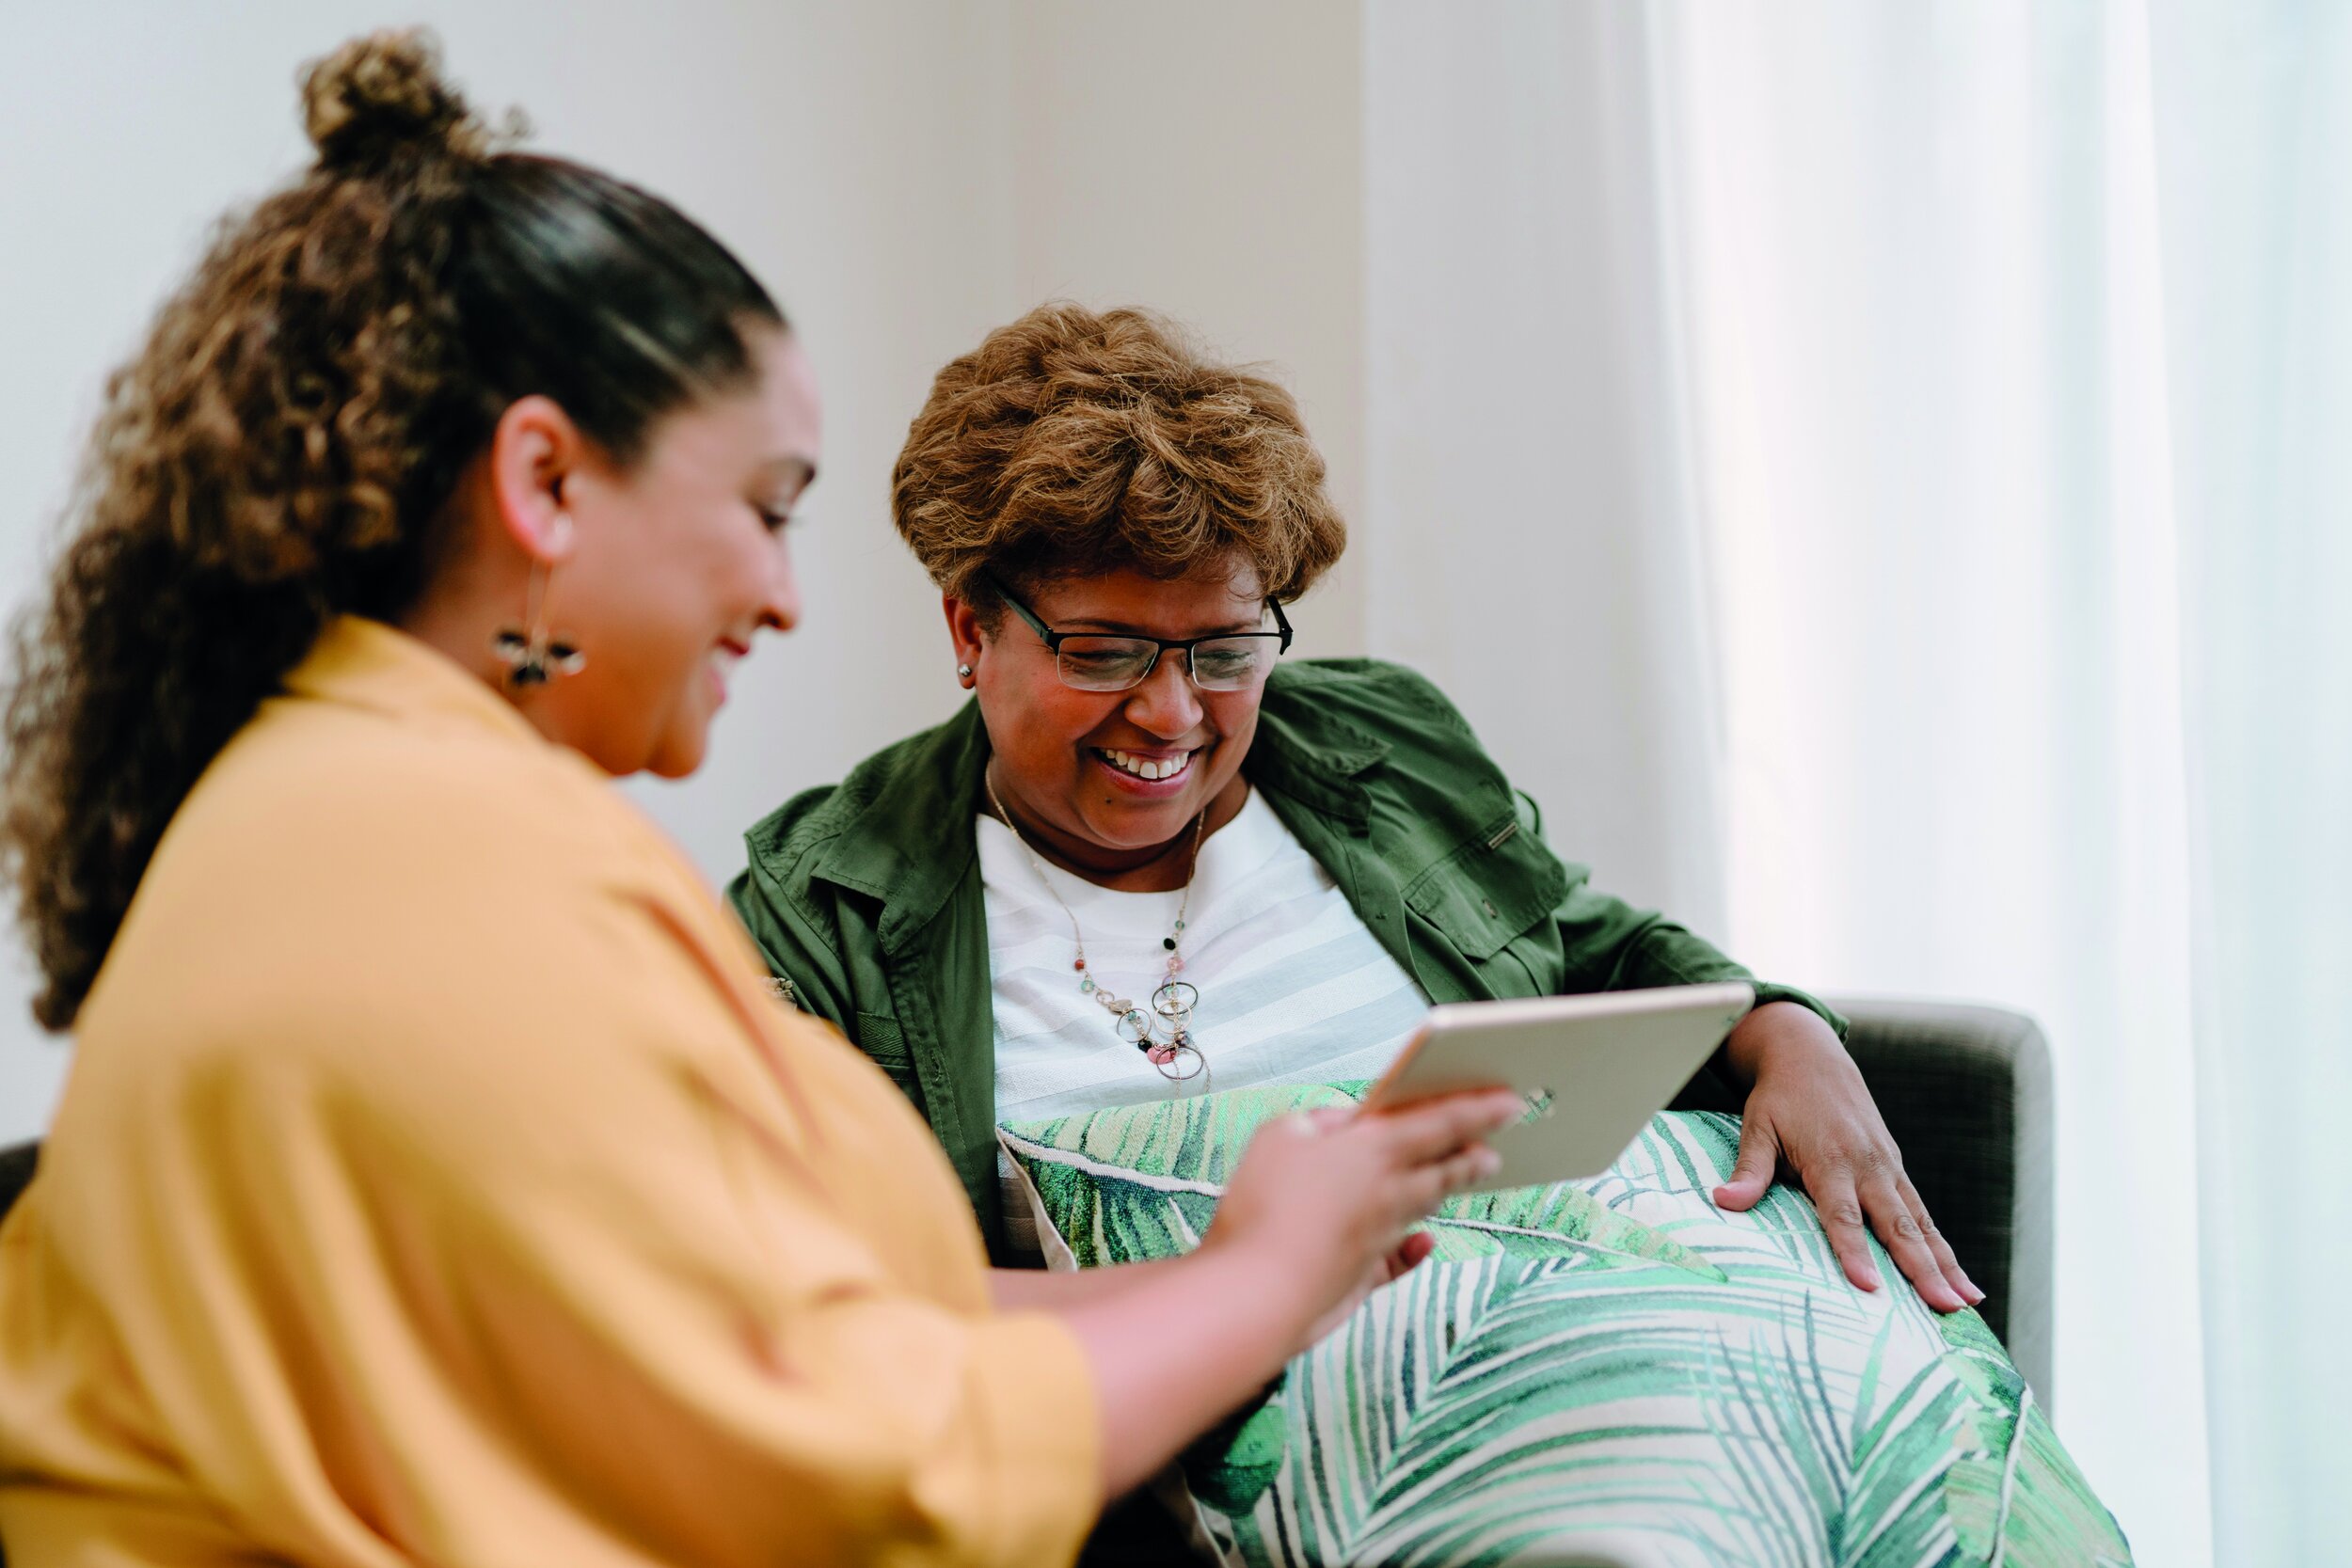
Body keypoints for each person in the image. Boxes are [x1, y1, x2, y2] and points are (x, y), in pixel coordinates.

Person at [0, 36, 1520, 1567]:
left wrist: (1262, 1270)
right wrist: (1260, 1274)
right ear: (545, 482)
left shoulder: (354, 802)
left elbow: (742, 1322)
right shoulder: (451, 867)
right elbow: (870, 1479)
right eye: (762, 510)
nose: (785, 600)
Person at [732, 301, 1983, 1314]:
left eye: (1225, 651)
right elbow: (818, 1307)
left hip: (1543, 1341)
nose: (1173, 715)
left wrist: (1785, 1034)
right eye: (1106, 652)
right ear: (971, 629)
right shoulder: (829, 909)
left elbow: (1600, 956)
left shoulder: (1378, 745)